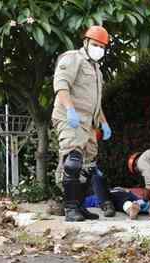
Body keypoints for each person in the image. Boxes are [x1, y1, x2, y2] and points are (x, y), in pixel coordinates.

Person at [52, 25, 116, 222]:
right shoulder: (73, 58)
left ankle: (80, 206)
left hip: (88, 123)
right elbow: (61, 85)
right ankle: (70, 209)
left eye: (102, 46)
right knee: (73, 162)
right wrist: (70, 110)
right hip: (69, 116)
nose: (98, 49)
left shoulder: (97, 70)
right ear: (86, 42)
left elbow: (96, 104)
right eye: (95, 44)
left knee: (88, 166)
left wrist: (104, 123)